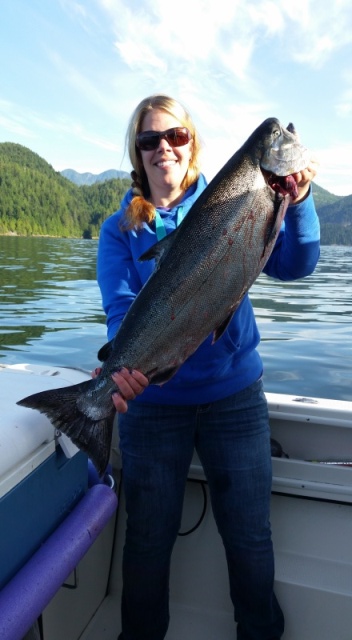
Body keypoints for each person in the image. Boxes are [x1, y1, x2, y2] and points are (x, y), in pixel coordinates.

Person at [95, 94, 320, 640]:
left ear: (191, 144)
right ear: (137, 152)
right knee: (147, 540)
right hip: (153, 406)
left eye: (174, 136)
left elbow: (296, 264)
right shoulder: (119, 230)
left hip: (234, 398)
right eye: (150, 140)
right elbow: (122, 313)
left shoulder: (235, 197)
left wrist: (303, 200)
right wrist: (121, 373)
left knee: (248, 537)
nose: (163, 148)